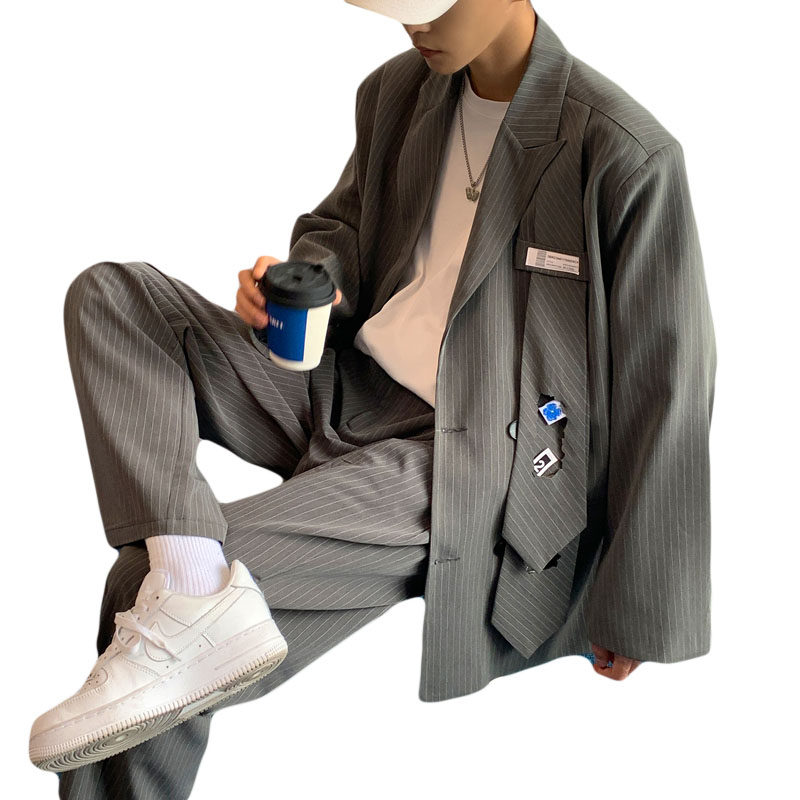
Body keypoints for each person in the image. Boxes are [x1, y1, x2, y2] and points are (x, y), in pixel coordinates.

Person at [29, 1, 716, 797]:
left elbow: (669, 383)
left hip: (473, 451)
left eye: (432, 3)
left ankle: (186, 605)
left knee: (136, 595)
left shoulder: (624, 152)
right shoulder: (397, 92)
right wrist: (303, 285)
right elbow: (345, 231)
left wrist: (636, 603)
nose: (413, 25)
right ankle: (190, 582)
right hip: (346, 384)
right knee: (114, 297)